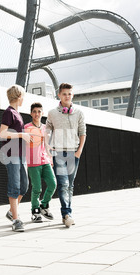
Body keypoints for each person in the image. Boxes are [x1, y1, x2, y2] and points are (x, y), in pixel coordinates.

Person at [46, 83, 86, 228]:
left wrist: (79, 150)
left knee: (70, 185)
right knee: (63, 184)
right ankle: (66, 214)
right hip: (59, 153)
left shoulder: (79, 113)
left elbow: (83, 132)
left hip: (74, 153)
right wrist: (48, 145)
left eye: (69, 94)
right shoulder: (52, 113)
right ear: (59, 95)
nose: (67, 96)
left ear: (72, 95)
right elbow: (48, 129)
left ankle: (67, 213)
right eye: (64, 94)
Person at [0, 85, 31, 232]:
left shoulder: (17, 113)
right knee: (15, 186)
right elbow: (2, 134)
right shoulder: (9, 112)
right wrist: (21, 135)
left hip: (20, 154)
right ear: (19, 97)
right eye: (23, 96)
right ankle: (16, 220)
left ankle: (12, 211)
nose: (24, 99)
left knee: (24, 186)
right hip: (11, 154)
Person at [24, 103, 57, 223]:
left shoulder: (45, 128)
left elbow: (48, 144)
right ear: (31, 113)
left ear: (42, 113)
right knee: (37, 188)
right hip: (33, 162)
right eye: (34, 111)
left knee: (53, 184)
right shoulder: (26, 128)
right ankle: (35, 211)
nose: (37, 114)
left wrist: (51, 159)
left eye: (39, 111)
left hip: (46, 161)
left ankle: (44, 205)